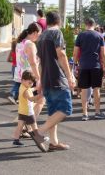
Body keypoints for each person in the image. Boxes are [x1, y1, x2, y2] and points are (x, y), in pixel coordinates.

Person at [37, 11, 75, 151]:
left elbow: (40, 61)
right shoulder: (56, 33)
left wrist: (40, 80)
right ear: (59, 21)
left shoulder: (41, 36)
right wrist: (70, 75)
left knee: (53, 112)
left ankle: (54, 142)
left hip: (46, 78)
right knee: (66, 109)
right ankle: (39, 132)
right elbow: (61, 54)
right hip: (57, 77)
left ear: (47, 22)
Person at [73, 18, 105, 121]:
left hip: (83, 65)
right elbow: (103, 54)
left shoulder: (80, 35)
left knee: (84, 90)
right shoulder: (99, 35)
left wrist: (75, 65)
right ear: (94, 24)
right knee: (96, 89)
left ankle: (85, 114)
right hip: (96, 66)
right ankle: (97, 112)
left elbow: (75, 53)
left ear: (85, 24)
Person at [9, 23, 45, 119]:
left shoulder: (20, 43)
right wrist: (38, 79)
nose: (39, 37)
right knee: (40, 100)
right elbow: (33, 63)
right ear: (34, 33)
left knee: (28, 104)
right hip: (30, 77)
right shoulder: (30, 45)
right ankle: (29, 124)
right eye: (39, 34)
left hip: (22, 77)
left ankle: (26, 125)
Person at [12, 70, 47, 150]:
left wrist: (35, 88)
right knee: (34, 126)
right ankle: (40, 139)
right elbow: (31, 99)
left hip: (21, 111)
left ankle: (16, 140)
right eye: (29, 82)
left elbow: (30, 90)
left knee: (20, 126)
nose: (31, 85)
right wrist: (41, 95)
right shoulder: (26, 90)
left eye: (32, 83)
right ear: (23, 80)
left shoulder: (22, 86)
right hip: (28, 112)